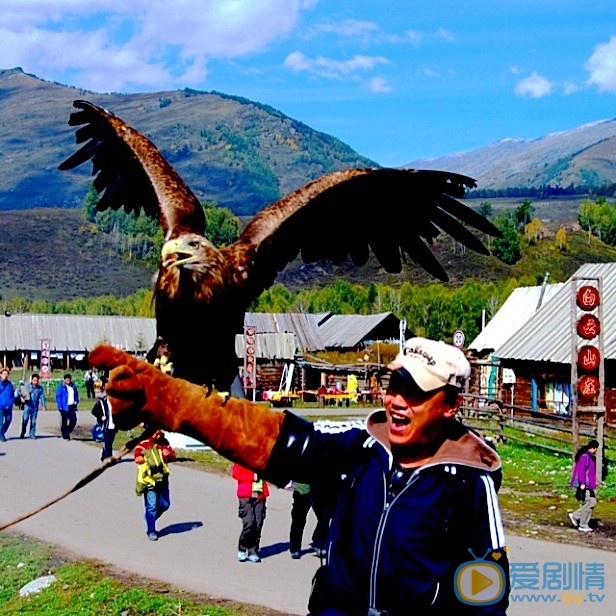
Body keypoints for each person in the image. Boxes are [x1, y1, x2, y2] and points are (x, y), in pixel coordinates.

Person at [89, 336, 510, 614]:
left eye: (416, 392)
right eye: (393, 384)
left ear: (450, 405)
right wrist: (173, 401)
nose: (397, 401)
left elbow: (486, 591)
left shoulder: (468, 481)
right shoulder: (362, 447)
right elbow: (281, 440)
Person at [134, 428, 176, 541]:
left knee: (165, 504)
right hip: (149, 480)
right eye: (156, 434)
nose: (159, 436)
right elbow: (137, 458)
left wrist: (167, 455)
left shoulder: (164, 442)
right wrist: (148, 458)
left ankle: (149, 517)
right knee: (151, 506)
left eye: (160, 434)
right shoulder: (144, 443)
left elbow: (173, 456)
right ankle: (151, 530)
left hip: (163, 479)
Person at [232, 462, 269, 563]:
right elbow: (236, 474)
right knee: (249, 523)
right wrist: (253, 476)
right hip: (245, 494)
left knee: (258, 523)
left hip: (260, 493)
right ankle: (242, 546)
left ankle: (253, 550)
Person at [288, 481, 332, 560]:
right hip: (303, 489)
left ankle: (318, 543)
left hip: (320, 489)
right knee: (298, 519)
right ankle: (295, 548)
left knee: (324, 516)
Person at [569, 438, 600, 533]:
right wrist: (582, 483)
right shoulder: (585, 457)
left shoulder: (590, 457)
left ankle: (576, 515)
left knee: (593, 502)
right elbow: (581, 471)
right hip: (584, 485)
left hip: (588, 485)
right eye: (596, 449)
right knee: (588, 503)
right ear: (593, 448)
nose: (596, 451)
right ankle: (582, 525)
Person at [90, 382, 116, 460]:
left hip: (113, 425)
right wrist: (101, 417)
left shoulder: (115, 402)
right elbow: (94, 411)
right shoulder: (101, 402)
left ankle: (104, 455)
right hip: (106, 425)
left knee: (110, 442)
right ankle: (108, 459)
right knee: (108, 442)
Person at [20, 373, 47, 439]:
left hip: (35, 407)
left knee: (33, 421)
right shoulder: (27, 386)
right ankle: (23, 432)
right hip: (27, 406)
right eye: (34, 380)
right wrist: (22, 398)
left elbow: (42, 397)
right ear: (31, 380)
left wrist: (43, 405)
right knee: (25, 420)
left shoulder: (40, 388)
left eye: (37, 380)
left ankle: (32, 434)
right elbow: (20, 392)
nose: (36, 382)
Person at [55, 373, 79, 440]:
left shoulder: (73, 386)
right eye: (67, 380)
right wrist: (60, 406)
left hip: (72, 406)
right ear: (64, 380)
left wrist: (76, 401)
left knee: (73, 421)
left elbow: (76, 395)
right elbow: (58, 397)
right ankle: (65, 434)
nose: (68, 381)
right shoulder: (61, 387)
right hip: (64, 406)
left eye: (69, 380)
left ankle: (67, 431)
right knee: (64, 421)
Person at [0, 368, 15, 442]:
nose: (5, 376)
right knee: (0, 421)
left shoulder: (10, 384)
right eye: (4, 374)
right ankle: (1, 435)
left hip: (8, 406)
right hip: (0, 406)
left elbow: (12, 393)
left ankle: (2, 432)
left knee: (8, 420)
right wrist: (2, 382)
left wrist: (12, 401)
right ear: (0, 375)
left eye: (6, 374)